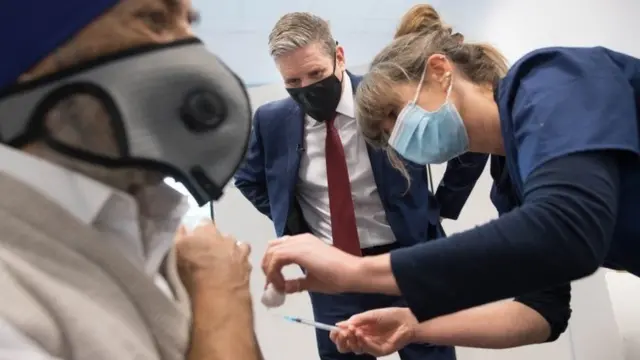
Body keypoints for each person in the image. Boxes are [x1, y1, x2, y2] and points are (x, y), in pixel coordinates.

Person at [261, 0, 640, 352]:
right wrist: (414, 326)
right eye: (386, 134)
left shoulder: (552, 82)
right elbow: (542, 313)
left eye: (394, 114)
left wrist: (358, 272)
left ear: (441, 71)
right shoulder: (514, 184)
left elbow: (567, 229)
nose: (397, 138)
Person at [0, 1, 263, 359]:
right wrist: (221, 293)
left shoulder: (145, 220)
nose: (191, 53)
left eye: (189, 25)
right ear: (29, 48)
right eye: (154, 19)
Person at [234, 11, 487, 360]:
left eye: (316, 73)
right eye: (292, 82)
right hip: (333, 274)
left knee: (431, 353)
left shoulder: (389, 95)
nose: (306, 88)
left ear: (339, 56)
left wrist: (440, 206)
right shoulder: (271, 120)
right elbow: (248, 178)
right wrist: (295, 224)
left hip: (410, 258)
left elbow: (469, 141)